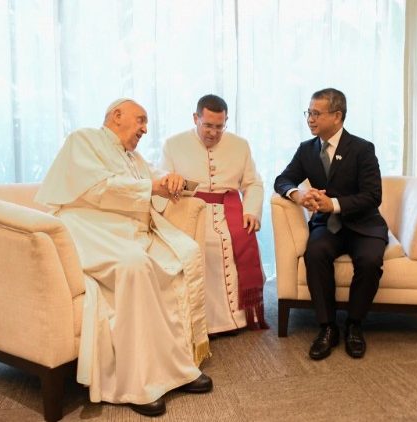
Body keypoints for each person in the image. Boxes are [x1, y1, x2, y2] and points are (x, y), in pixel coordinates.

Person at [35, 98, 214, 416]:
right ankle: (137, 385)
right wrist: (153, 186)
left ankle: (176, 369)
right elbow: (99, 189)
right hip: (89, 230)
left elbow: (150, 179)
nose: (145, 129)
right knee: (135, 267)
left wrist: (169, 181)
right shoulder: (84, 140)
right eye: (141, 120)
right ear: (116, 115)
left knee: (176, 262)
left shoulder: (133, 157)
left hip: (126, 235)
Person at [274, 88, 388, 360]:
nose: (310, 119)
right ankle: (327, 327)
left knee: (370, 260)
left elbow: (373, 196)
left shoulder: (362, 149)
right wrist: (298, 194)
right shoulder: (307, 150)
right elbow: (282, 179)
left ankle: (354, 325)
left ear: (337, 116)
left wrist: (333, 204)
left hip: (364, 224)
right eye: (308, 113)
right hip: (328, 226)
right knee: (315, 254)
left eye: (316, 113)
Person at [160, 94, 267, 333]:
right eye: (208, 125)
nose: (213, 132)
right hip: (189, 210)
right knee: (202, 246)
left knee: (231, 241)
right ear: (195, 118)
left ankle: (235, 320)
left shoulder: (240, 145)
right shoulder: (173, 144)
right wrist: (171, 181)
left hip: (229, 209)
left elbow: (253, 183)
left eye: (220, 126)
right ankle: (200, 322)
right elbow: (161, 180)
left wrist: (251, 211)